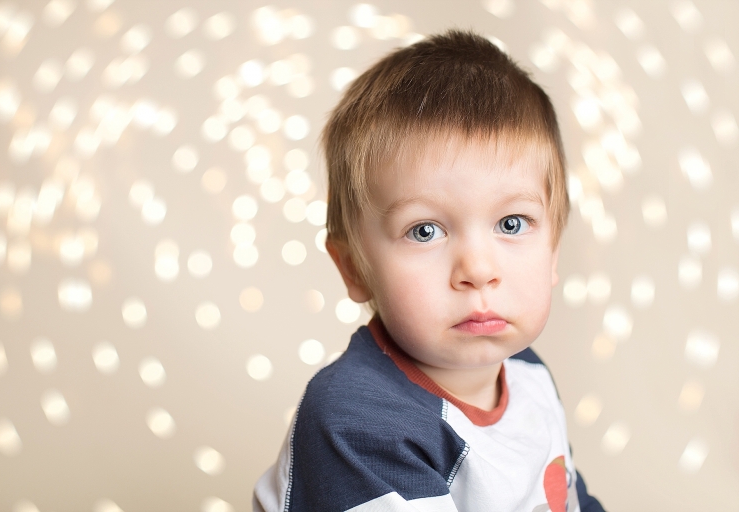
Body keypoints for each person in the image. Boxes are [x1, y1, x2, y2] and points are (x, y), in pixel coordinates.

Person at [254, 30, 605, 512]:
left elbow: (570, 498)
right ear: (354, 268)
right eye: (425, 231)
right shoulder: (358, 420)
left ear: (554, 253)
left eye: (511, 223)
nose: (478, 270)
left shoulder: (527, 374)